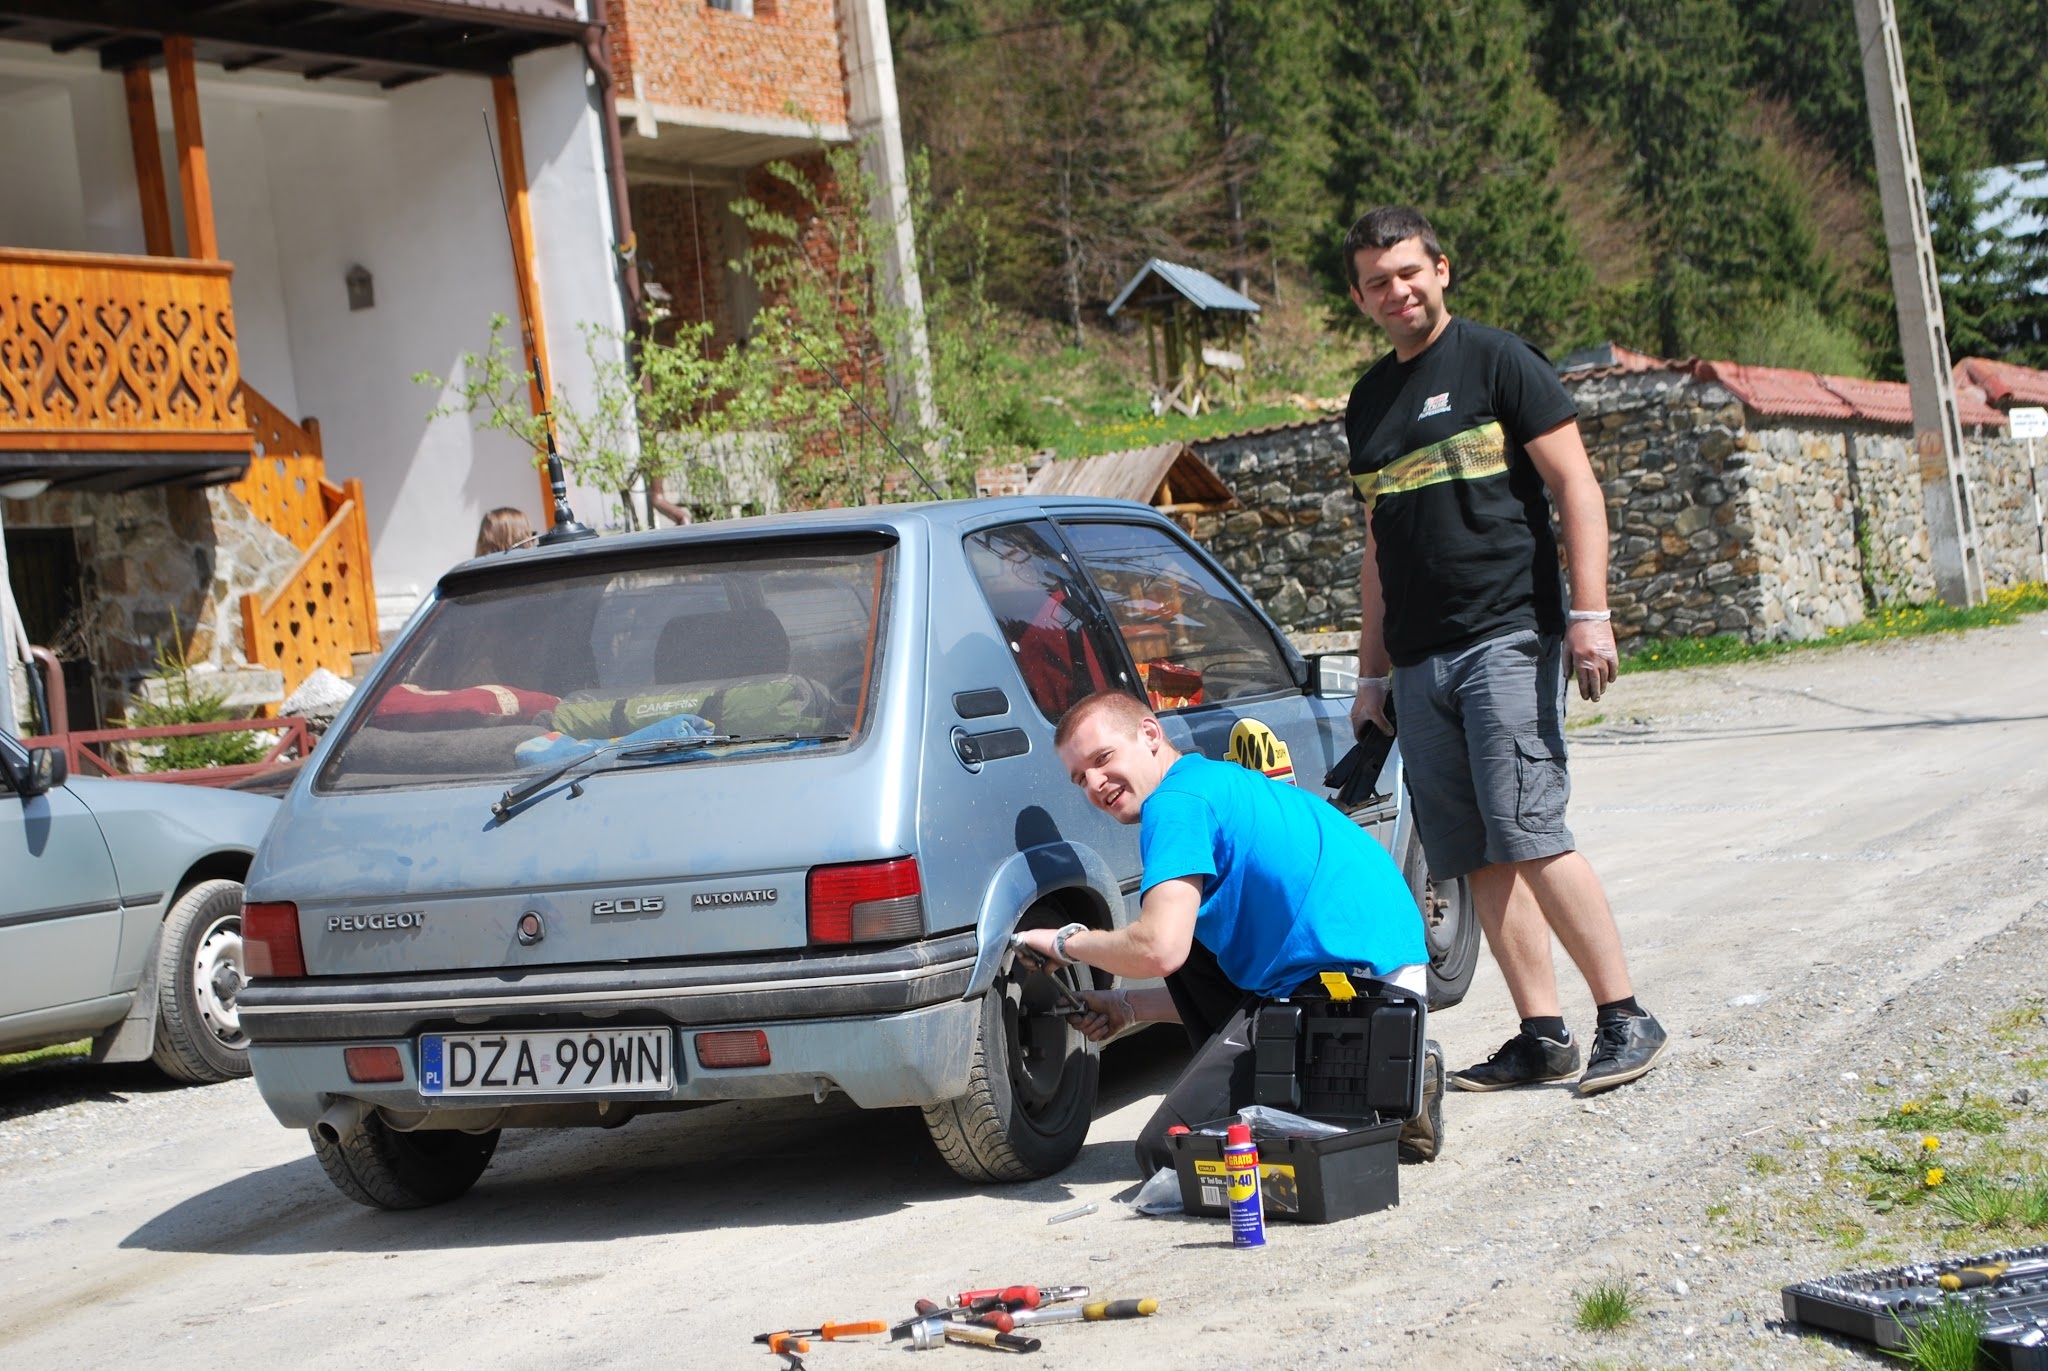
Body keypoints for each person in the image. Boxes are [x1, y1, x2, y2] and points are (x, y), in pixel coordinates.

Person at [1338, 204, 1666, 1096]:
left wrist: (1590, 613)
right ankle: (1542, 1034)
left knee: (1530, 831)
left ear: (1441, 269)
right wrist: (1372, 675)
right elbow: (1375, 551)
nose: (1397, 291)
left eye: (1409, 272)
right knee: (1470, 850)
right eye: (1377, 282)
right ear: (1360, 298)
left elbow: (1576, 485)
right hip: (1420, 662)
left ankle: (1626, 1015)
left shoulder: (1498, 360)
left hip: (1508, 637)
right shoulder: (1367, 403)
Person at [1014, 690, 1435, 1177]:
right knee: (1185, 930)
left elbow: (1157, 949)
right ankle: (1383, 1082)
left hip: (1350, 1000)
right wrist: (1128, 1007)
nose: (1094, 784)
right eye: (1079, 778)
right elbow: (1219, 978)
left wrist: (1065, 942)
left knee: (1168, 1156)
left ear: (1149, 734)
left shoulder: (1175, 804)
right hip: (1381, 984)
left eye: (1102, 758)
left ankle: (1371, 1094)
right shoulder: (1211, 779)